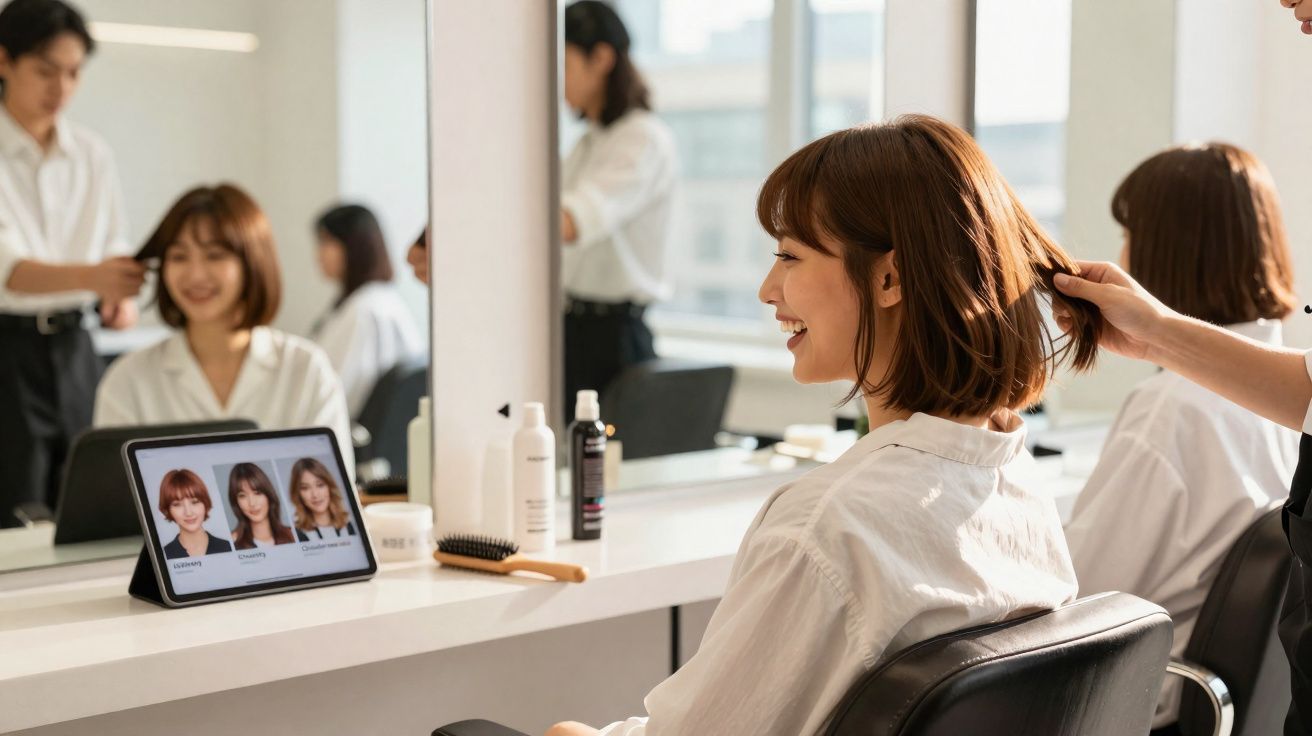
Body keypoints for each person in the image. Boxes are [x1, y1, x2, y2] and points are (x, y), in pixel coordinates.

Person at [548, 114, 1103, 736]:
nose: (766, 289)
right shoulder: (1018, 487)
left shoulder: (828, 528)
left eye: (789, 255)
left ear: (890, 277)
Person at [1060, 143, 1300, 729]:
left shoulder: (1173, 410)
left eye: (1130, 234)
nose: (1121, 255)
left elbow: (1075, 602)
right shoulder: (1284, 395)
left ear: (1166, 253)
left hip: (1152, 710)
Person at [0, 0, 145, 527]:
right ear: (3, 61)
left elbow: (111, 242)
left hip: (77, 347)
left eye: (74, 72)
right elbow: (9, 271)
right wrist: (95, 278)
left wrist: (119, 295)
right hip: (8, 350)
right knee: (15, 507)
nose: (60, 87)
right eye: (44, 70)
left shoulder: (92, 153)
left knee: (85, 500)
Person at [92, 184, 355, 471]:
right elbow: (114, 505)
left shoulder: (306, 370)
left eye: (214, 255)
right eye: (179, 257)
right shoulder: (128, 380)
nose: (195, 274)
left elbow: (334, 502)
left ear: (253, 262)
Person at [560, 1, 677, 422]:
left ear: (602, 57)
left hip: (613, 340)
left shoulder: (642, 139)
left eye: (564, 62)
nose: (556, 80)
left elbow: (570, 222)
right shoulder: (586, 146)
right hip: (572, 328)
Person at [310, 204, 423, 417]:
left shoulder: (365, 310)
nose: (318, 255)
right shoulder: (379, 300)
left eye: (326, 242)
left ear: (354, 246)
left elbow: (334, 395)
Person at [157, 468, 233, 559]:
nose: (188, 512)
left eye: (195, 502)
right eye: (177, 504)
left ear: (205, 503)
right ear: (167, 509)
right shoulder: (164, 555)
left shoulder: (226, 547)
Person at [226, 462, 294, 550]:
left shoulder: (294, 535)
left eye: (257, 493)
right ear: (236, 501)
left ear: (268, 495)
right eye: (242, 496)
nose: (252, 503)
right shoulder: (231, 543)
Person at [288, 457, 357, 542]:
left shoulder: (353, 525)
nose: (315, 494)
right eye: (305, 488)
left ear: (329, 487)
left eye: (320, 485)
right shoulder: (296, 535)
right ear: (298, 494)